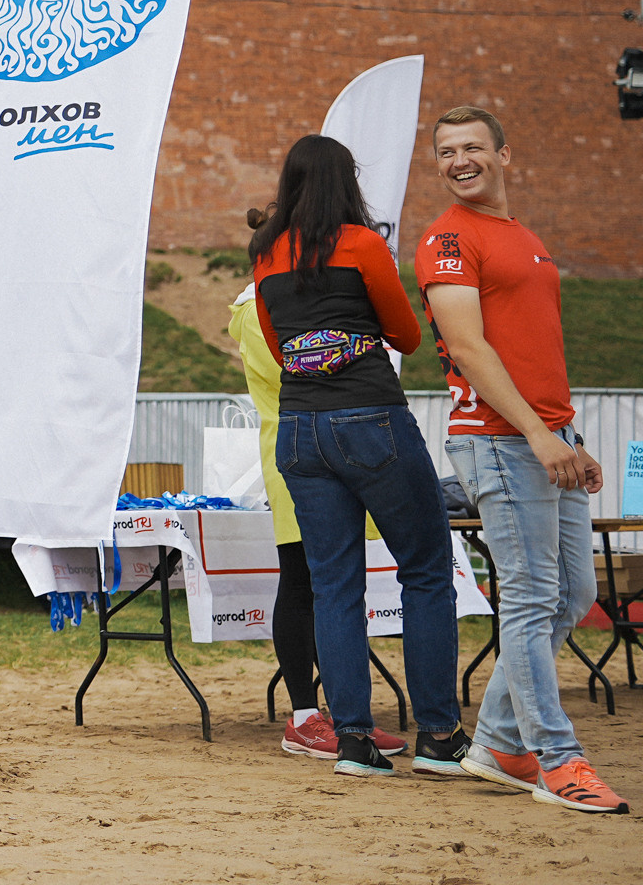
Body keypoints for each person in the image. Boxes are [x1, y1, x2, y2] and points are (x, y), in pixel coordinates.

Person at [418, 106, 626, 814]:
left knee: (573, 595)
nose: (459, 159)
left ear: (507, 155)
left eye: (473, 147)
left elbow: (534, 345)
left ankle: (500, 743)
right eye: (446, 152)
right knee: (534, 598)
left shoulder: (524, 240)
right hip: (498, 440)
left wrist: (565, 434)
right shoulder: (448, 237)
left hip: (543, 437)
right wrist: (539, 435)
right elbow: (470, 348)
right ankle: (557, 760)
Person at [252, 134, 464, 778]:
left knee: (332, 585)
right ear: (348, 183)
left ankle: (353, 742)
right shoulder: (363, 245)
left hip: (299, 428)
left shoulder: (264, 254)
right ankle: (436, 735)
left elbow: (275, 341)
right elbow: (406, 334)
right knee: (426, 568)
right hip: (371, 417)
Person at [231, 281, 408, 763]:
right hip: (296, 451)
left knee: (338, 583)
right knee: (302, 581)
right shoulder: (257, 309)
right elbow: (304, 373)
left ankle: (350, 719)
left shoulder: (297, 298)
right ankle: (305, 717)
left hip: (337, 449)